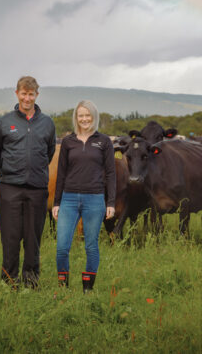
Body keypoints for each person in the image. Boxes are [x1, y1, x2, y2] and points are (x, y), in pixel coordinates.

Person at [0, 76, 56, 289]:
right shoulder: (4, 122)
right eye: (23, 93)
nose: (27, 98)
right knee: (10, 238)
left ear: (36, 95)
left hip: (37, 189)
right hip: (10, 187)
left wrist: (34, 170)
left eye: (31, 94)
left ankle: (31, 283)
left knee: (33, 239)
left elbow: (49, 152)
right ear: (17, 93)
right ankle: (9, 282)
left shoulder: (47, 122)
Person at [52, 100, 115, 293]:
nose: (85, 119)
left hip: (94, 199)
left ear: (94, 117)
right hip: (69, 199)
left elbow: (111, 173)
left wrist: (110, 202)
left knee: (91, 245)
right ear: (76, 118)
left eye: (88, 115)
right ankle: (63, 288)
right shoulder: (68, 142)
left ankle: (88, 289)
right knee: (62, 247)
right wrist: (56, 202)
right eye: (81, 115)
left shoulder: (104, 141)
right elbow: (61, 173)